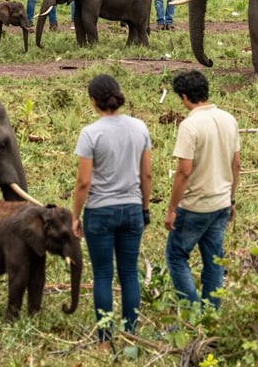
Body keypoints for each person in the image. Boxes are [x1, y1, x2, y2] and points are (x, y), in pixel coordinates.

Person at [72, 74, 152, 347]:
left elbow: (83, 182)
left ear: (93, 102)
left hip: (99, 212)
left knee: (103, 275)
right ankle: (131, 335)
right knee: (129, 273)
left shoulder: (90, 133)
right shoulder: (139, 128)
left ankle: (104, 340)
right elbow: (147, 176)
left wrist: (75, 215)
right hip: (131, 209)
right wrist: (145, 208)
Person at [164, 70, 240, 310]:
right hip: (221, 203)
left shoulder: (190, 125)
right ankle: (211, 314)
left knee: (176, 257)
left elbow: (184, 171)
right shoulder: (229, 119)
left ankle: (192, 314)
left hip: (195, 204)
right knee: (214, 261)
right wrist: (231, 199)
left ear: (185, 97)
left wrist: (172, 208)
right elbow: (236, 164)